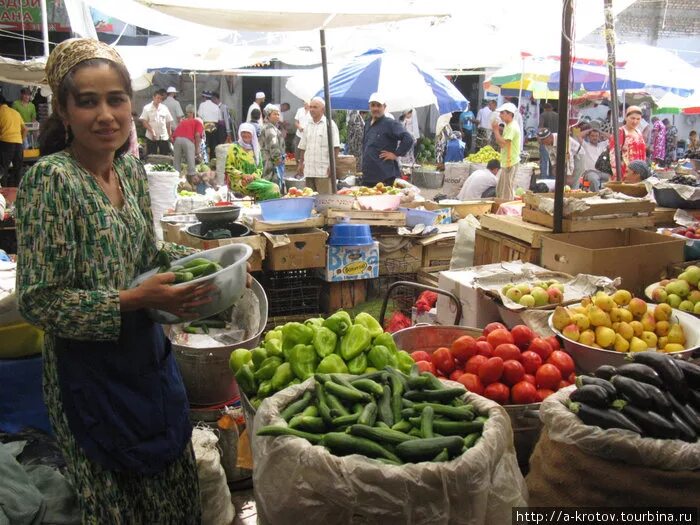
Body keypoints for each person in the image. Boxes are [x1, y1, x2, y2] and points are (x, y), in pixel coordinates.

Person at [16, 38, 211, 523]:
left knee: (175, 492)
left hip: (146, 361)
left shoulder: (128, 169)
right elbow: (38, 301)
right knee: (122, 506)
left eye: (115, 99)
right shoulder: (51, 180)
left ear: (132, 104)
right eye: (87, 101)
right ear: (63, 109)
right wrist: (130, 300)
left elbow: (148, 252)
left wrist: (213, 262)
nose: (105, 114)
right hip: (89, 376)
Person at [361, 93, 413, 187]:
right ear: (369, 106)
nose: (375, 108)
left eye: (378, 105)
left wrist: (396, 154)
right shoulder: (368, 123)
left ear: (384, 107)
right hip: (368, 176)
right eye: (373, 105)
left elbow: (408, 138)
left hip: (384, 176)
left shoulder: (390, 123)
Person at [298, 96, 340, 194]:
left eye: (315, 107)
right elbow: (303, 146)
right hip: (309, 170)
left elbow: (336, 147)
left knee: (324, 201)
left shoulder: (330, 125)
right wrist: (300, 163)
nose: (311, 109)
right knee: (310, 199)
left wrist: (332, 166)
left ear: (323, 109)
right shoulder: (308, 124)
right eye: (310, 107)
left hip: (323, 171)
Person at [491, 102, 521, 200]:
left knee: (506, 190)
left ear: (509, 114)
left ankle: (507, 210)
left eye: (502, 113)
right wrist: (497, 132)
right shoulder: (508, 125)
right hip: (507, 161)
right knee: (501, 188)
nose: (500, 116)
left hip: (510, 161)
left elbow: (503, 144)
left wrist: (495, 130)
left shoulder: (512, 127)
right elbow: (501, 143)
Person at [609, 105, 647, 180]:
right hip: (624, 174)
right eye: (632, 118)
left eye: (638, 119)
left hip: (638, 174)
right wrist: (618, 176)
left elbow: (643, 153)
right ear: (626, 117)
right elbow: (613, 155)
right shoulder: (620, 132)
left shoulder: (638, 132)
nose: (635, 121)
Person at [225, 122, 262, 195]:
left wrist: (252, 177)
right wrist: (243, 176)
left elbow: (260, 168)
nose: (246, 135)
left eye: (248, 133)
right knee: (271, 189)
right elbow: (228, 167)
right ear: (240, 133)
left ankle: (259, 206)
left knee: (274, 187)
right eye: (243, 132)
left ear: (252, 134)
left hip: (254, 181)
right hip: (238, 182)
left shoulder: (256, 149)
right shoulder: (234, 147)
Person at [0, 94, 26, 186]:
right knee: (18, 169)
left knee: (3, 169)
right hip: (18, 143)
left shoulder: (0, 112)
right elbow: (25, 129)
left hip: (6, 143)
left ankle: (3, 193)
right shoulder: (15, 112)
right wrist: (21, 140)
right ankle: (18, 192)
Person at [172, 104, 204, 177]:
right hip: (188, 140)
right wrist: (197, 149)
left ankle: (176, 178)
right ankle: (192, 179)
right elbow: (197, 135)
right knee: (190, 161)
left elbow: (174, 134)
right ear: (194, 113)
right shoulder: (198, 122)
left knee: (176, 161)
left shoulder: (182, 122)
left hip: (177, 140)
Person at [139, 88, 173, 155]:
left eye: (161, 99)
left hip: (163, 136)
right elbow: (144, 122)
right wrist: (152, 131)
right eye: (158, 98)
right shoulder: (147, 108)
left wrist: (170, 135)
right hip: (151, 137)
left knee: (164, 156)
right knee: (151, 156)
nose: (159, 100)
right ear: (153, 97)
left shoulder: (164, 108)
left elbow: (168, 122)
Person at [259, 104, 285, 187]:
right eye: (274, 114)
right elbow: (274, 145)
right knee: (271, 185)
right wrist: (278, 159)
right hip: (270, 162)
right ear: (268, 116)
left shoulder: (271, 127)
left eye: (278, 114)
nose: (277, 116)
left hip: (268, 160)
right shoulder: (269, 128)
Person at [579, 127, 610, 192]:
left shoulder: (602, 145)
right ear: (589, 137)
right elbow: (579, 136)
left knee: (615, 179)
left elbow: (613, 137)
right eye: (592, 136)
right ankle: (596, 196)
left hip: (604, 172)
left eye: (596, 136)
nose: (594, 137)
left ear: (599, 137)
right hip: (591, 172)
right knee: (593, 179)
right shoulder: (586, 145)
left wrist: (600, 131)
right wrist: (590, 129)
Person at [197, 91, 220, 159]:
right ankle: (213, 159)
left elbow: (199, 115)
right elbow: (219, 118)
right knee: (213, 144)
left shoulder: (202, 105)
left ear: (204, 97)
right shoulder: (216, 106)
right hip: (214, 126)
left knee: (205, 143)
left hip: (205, 125)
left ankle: (205, 160)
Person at [538, 103, 559, 178]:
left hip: (545, 139)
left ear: (544, 108)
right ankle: (553, 178)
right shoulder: (557, 115)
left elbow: (540, 127)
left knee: (544, 160)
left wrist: (539, 139)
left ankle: (543, 178)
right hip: (555, 140)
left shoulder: (543, 115)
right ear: (552, 108)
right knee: (553, 161)